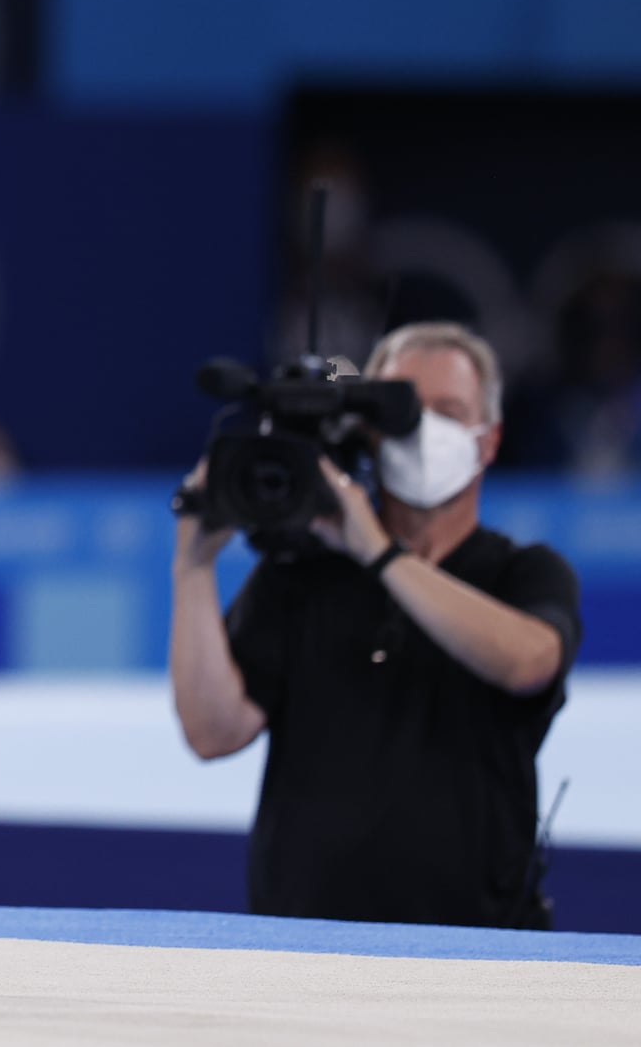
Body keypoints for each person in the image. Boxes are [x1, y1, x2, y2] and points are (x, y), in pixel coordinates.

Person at [170, 322, 582, 928]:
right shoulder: (302, 576)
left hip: (483, 952)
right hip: (307, 945)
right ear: (367, 427)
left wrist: (380, 553)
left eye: (449, 410)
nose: (425, 428)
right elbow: (213, 731)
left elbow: (528, 662)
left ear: (489, 440)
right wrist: (194, 565)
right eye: (405, 407)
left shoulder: (523, 572)